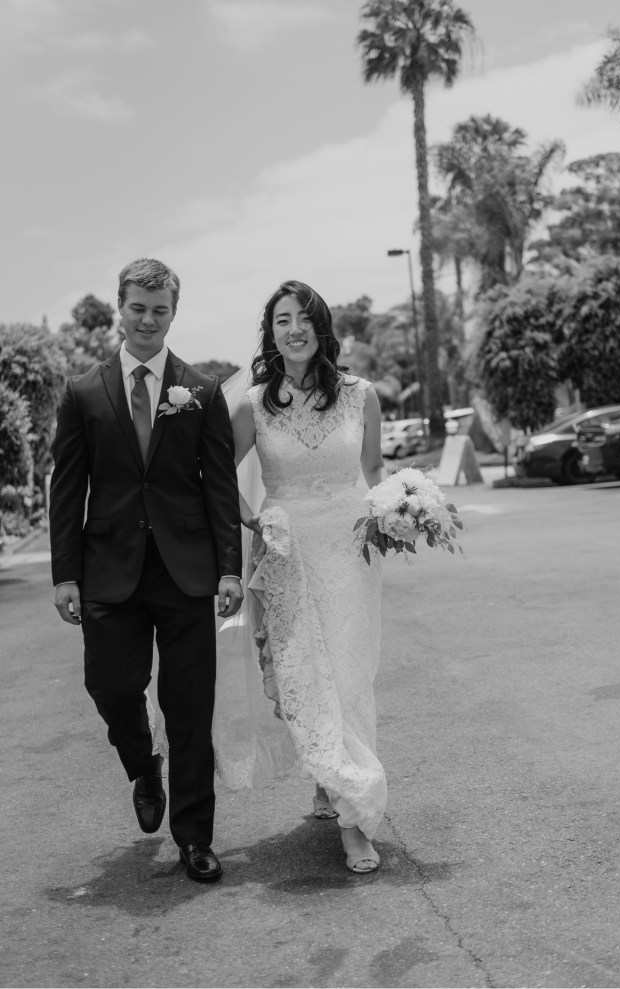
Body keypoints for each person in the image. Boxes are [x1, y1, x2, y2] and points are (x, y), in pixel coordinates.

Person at [50, 257, 243, 883]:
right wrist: (65, 574)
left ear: (173, 314)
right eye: (138, 307)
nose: (148, 320)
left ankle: (194, 838)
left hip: (186, 571)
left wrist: (229, 569)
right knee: (109, 687)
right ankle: (142, 764)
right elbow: (67, 489)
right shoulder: (83, 393)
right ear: (120, 307)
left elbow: (218, 486)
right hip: (108, 571)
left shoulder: (202, 391)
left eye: (160, 311)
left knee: (189, 707)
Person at [220, 279, 387, 873]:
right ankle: (350, 810)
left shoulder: (360, 395)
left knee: (348, 677)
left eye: (303, 318)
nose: (293, 329)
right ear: (271, 332)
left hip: (350, 554)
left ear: (321, 328)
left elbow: (373, 470)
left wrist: (395, 516)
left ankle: (347, 802)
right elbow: (214, 472)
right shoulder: (254, 404)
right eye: (281, 320)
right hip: (289, 559)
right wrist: (255, 522)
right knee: (305, 677)